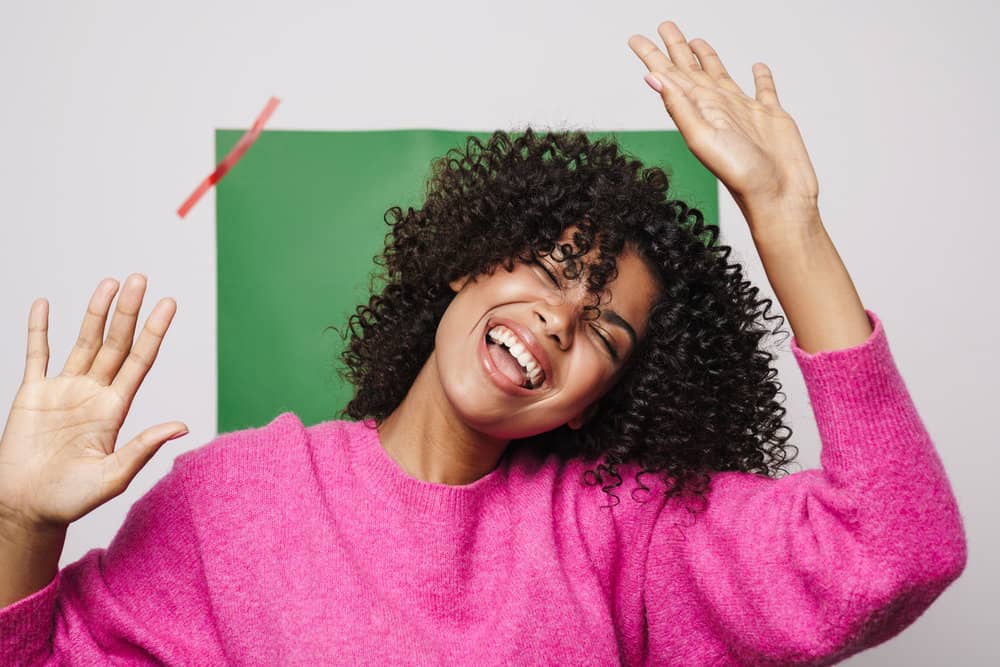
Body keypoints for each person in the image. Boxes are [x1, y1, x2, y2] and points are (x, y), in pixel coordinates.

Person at [0, 20, 966, 665]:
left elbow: (899, 547)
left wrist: (787, 222)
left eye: (604, 329)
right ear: (468, 264)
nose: (559, 317)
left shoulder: (620, 529)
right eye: (549, 270)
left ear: (595, 398)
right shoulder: (236, 500)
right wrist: (20, 524)